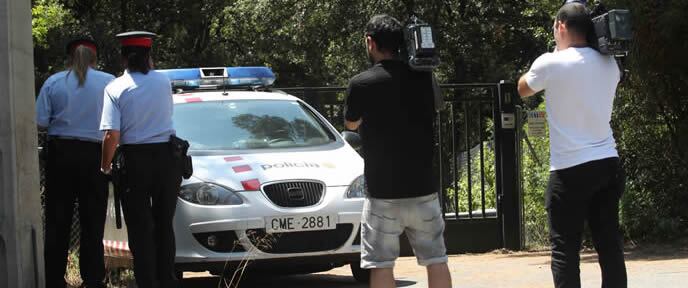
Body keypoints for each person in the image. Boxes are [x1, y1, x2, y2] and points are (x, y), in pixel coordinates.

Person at [517, 2, 627, 288]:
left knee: (565, 250)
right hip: (607, 163)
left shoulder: (550, 62)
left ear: (561, 26)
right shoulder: (610, 63)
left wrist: (554, 54)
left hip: (569, 170)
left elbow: (523, 88)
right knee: (610, 246)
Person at [344, 14, 452, 288]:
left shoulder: (361, 83)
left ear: (370, 42)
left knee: (381, 264)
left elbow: (351, 123)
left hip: (382, 192)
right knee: (436, 260)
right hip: (423, 188)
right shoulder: (424, 78)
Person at [99, 31, 182, 288]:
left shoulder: (114, 87)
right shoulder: (164, 81)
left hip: (135, 161)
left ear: (123, 59)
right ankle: (166, 279)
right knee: (164, 224)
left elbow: (112, 134)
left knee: (140, 227)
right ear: (149, 56)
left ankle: (147, 282)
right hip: (167, 158)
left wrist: (105, 165)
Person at [36, 38, 115, 288]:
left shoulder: (54, 82)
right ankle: (92, 279)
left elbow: (40, 121)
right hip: (96, 155)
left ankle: (54, 280)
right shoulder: (109, 82)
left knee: (58, 220)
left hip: (62, 155)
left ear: (69, 58)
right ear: (94, 58)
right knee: (93, 220)